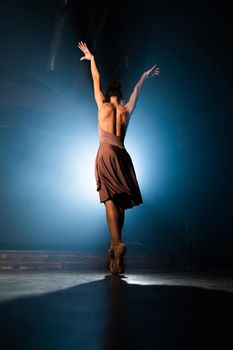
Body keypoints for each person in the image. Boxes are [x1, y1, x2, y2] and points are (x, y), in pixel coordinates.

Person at [78, 41, 160, 274]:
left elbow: (96, 80)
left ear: (109, 95)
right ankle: (115, 246)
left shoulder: (102, 105)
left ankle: (117, 243)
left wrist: (92, 59)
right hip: (123, 155)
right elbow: (136, 92)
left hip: (105, 152)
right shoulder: (125, 111)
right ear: (121, 97)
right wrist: (144, 76)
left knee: (109, 198)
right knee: (121, 200)